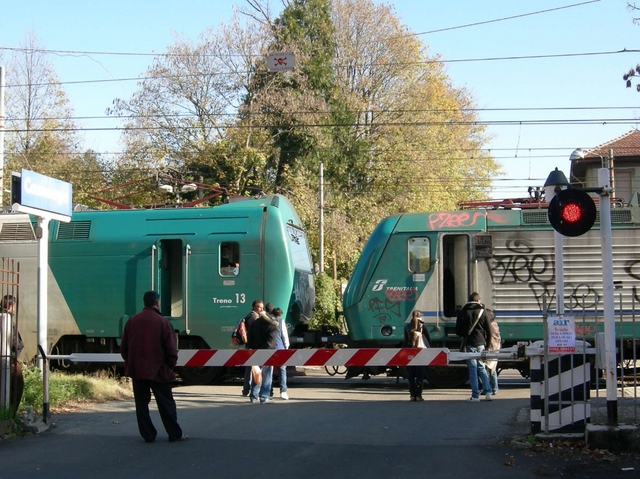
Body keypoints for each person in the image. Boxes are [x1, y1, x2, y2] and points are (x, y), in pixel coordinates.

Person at [120, 291, 188, 443]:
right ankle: (175, 434)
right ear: (157, 303)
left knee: (141, 404)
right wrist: (170, 366)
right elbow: (171, 349)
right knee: (166, 404)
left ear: (144, 303)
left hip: (137, 370)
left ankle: (148, 435)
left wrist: (132, 362)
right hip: (159, 370)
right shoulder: (163, 322)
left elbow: (124, 348)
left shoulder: (132, 321)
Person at [455, 292, 492, 402]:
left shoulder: (463, 312)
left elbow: (458, 331)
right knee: (482, 367)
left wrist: (464, 334)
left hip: (469, 343)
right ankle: (488, 391)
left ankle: (475, 395)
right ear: (478, 300)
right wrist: (488, 345)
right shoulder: (483, 311)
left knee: (472, 369)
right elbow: (488, 330)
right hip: (481, 343)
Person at [248, 305, 279, 404]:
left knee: (256, 374)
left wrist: (252, 349)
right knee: (267, 375)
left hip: (255, 351)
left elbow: (250, 337)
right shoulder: (272, 324)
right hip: (267, 352)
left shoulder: (256, 322)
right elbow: (271, 341)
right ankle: (264, 397)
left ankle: (253, 396)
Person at [2, 295, 23, 415]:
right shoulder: (8, 320)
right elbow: (16, 343)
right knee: (17, 386)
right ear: (11, 306)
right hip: (9, 359)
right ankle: (10, 412)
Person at [404, 310, 428, 401]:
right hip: (420, 352)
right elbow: (428, 340)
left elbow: (405, 341)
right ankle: (418, 395)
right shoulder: (422, 327)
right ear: (420, 316)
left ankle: (412, 395)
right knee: (419, 374)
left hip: (410, 353)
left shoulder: (407, 327)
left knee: (411, 375)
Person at [242, 300, 264, 397]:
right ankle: (250, 389)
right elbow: (255, 333)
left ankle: (246, 389)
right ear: (254, 307)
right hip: (253, 346)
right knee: (253, 368)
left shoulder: (249, 315)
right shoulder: (254, 317)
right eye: (260, 307)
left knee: (250, 368)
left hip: (250, 346)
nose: (261, 309)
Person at [273, 307, 290, 400]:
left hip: (270, 348)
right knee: (282, 370)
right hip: (280, 348)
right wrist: (286, 347)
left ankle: (269, 391)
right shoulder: (281, 321)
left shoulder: (268, 321)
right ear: (280, 314)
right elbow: (284, 335)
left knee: (268, 370)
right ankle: (283, 391)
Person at [484, 309, 501, 396]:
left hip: (491, 347)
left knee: (490, 368)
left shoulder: (490, 325)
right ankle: (493, 388)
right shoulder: (495, 324)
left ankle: (492, 388)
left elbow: (489, 337)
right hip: (495, 347)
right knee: (492, 368)